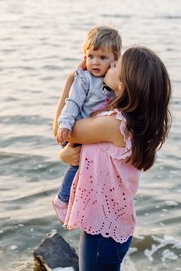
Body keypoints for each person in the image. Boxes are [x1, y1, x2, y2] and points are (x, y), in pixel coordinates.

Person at [56, 46, 172, 271]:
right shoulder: (130, 122)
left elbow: (60, 131)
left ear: (125, 83)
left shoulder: (113, 124)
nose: (110, 64)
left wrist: (70, 85)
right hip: (109, 222)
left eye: (116, 64)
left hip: (103, 231)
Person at [52, 26, 122, 223]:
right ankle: (62, 199)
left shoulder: (113, 81)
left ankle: (79, 202)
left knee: (89, 169)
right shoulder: (84, 79)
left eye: (102, 57)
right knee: (78, 168)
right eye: (90, 56)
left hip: (92, 133)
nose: (95, 62)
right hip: (75, 129)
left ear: (115, 60)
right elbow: (72, 102)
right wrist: (65, 125)